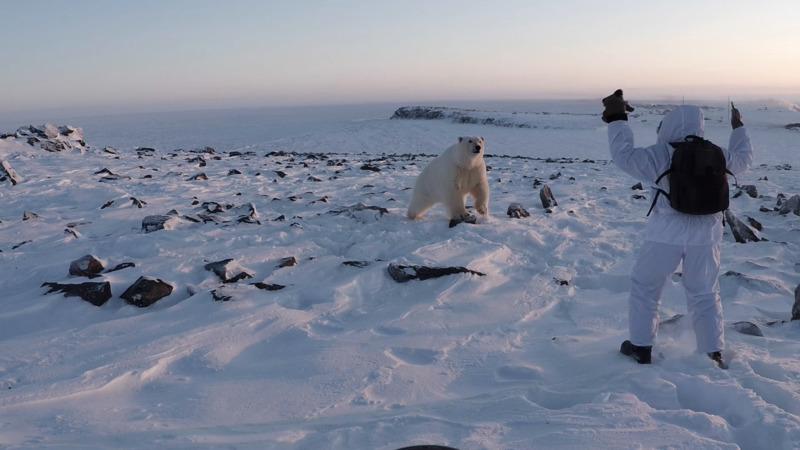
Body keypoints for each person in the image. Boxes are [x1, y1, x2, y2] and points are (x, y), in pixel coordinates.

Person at [601, 89, 753, 367]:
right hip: (706, 236)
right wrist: (739, 128)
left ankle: (641, 346)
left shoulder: (659, 155)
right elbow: (744, 160)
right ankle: (712, 351)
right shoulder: (718, 154)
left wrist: (617, 118)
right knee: (705, 292)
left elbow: (622, 156)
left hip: (664, 235)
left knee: (646, 287)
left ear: (668, 125)